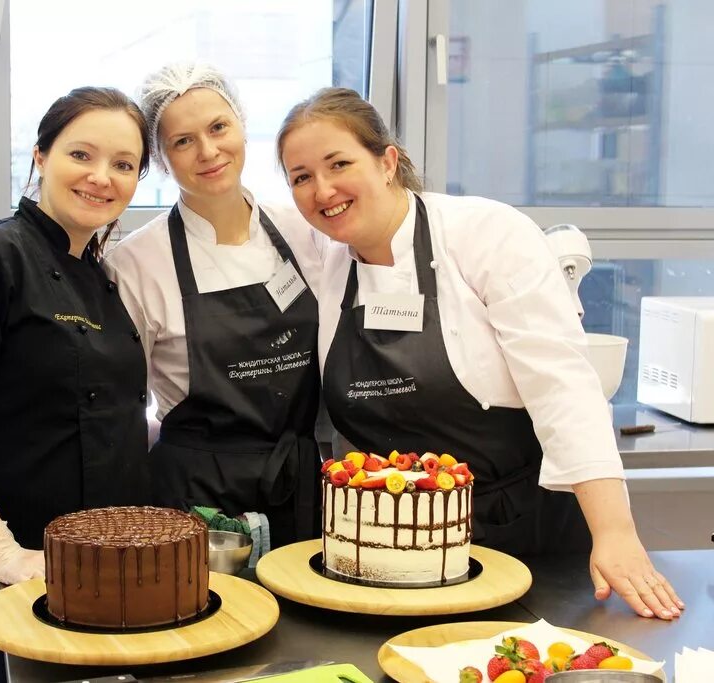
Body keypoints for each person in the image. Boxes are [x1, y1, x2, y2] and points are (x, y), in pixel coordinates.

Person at [276, 87, 684, 620]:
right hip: (399, 555)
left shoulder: (485, 235)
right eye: (301, 176)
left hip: (526, 530)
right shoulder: (326, 265)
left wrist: (615, 533)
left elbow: (563, 387)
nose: (322, 189)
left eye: (338, 163)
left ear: (387, 162)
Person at [0, 86, 152, 680]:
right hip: (3, 585)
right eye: (81, 155)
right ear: (41, 155)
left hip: (94, 579)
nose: (101, 178)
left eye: (123, 165)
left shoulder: (101, 275)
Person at [103, 63, 325, 548]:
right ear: (160, 160)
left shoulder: (304, 231)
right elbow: (121, 402)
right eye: (182, 141)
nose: (208, 151)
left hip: (300, 486)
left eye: (218, 127)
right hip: (195, 500)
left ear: (242, 125)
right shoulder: (136, 263)